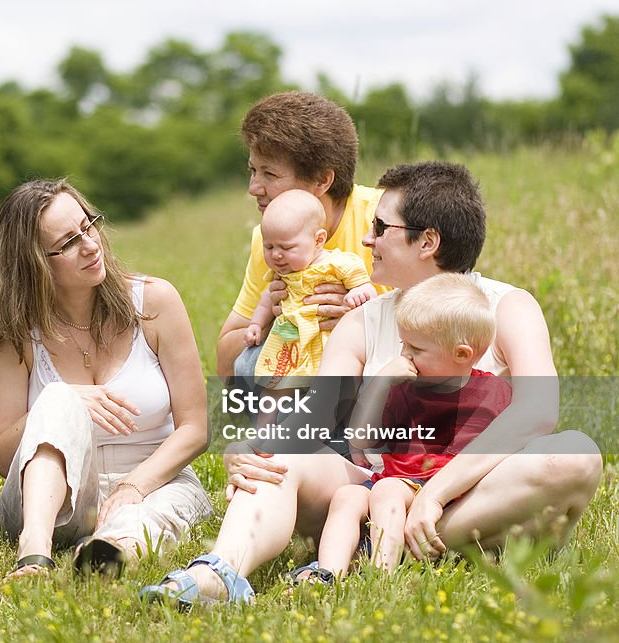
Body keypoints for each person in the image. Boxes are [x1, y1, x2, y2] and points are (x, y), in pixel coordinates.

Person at [142, 160, 601, 606]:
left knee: (574, 455)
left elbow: (538, 410)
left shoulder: (506, 306)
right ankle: (219, 571)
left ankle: (386, 541)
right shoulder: (363, 320)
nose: (367, 237)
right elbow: (317, 419)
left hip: (477, 488)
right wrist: (253, 446)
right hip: (376, 484)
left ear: (428, 242)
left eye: (382, 228)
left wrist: (436, 494)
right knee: (277, 457)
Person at [0, 178, 211, 579]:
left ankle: (110, 552)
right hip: (51, 499)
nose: (91, 244)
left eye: (89, 225)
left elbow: (196, 428)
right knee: (59, 398)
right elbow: (1, 454)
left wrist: (134, 487)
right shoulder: (14, 329)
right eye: (67, 243)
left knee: (148, 516)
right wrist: (63, 401)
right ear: (32, 262)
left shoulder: (155, 302)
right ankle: (34, 553)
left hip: (155, 482)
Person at [301, 273, 511, 584]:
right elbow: (361, 441)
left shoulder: (494, 392)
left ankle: (380, 579)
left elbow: (503, 450)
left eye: (415, 348)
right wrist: (380, 385)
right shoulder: (404, 388)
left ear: (461, 354)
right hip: (398, 480)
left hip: (445, 489)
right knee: (346, 497)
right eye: (403, 344)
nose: (404, 356)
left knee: (386, 490)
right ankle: (327, 573)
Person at [217, 90, 390, 383]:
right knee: (252, 362)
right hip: (302, 386)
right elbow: (227, 362)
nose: (253, 188)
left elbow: (450, 324)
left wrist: (362, 324)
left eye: (269, 174)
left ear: (322, 180)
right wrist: (274, 317)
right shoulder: (272, 240)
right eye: (253, 171)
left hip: (377, 379)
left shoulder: (386, 220)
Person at [243, 190, 376, 390]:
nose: (277, 255)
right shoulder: (282, 273)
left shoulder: (338, 263)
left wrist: (358, 293)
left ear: (318, 240)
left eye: (286, 248)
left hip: (326, 346)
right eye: (269, 247)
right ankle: (265, 422)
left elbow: (367, 289)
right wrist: (256, 324)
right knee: (271, 391)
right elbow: (267, 298)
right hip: (289, 347)